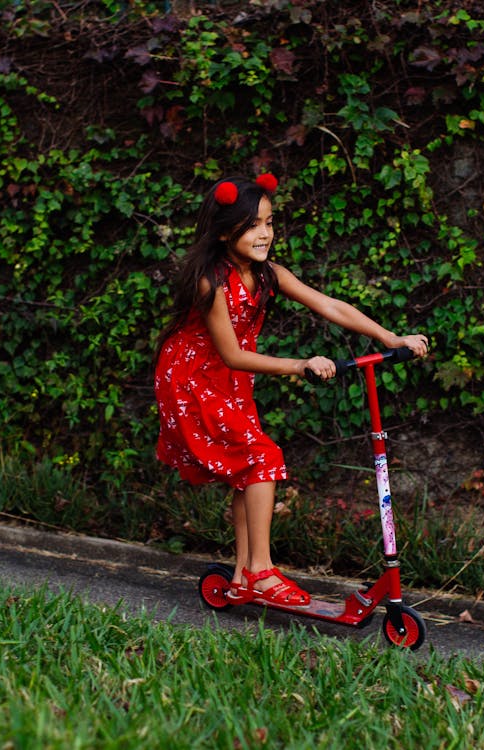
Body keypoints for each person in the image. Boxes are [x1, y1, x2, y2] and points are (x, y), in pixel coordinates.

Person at [153, 174, 429, 607]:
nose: (264, 234)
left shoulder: (269, 275)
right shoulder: (212, 281)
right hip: (192, 379)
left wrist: (389, 337)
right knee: (263, 458)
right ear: (225, 231)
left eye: (269, 222)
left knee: (249, 471)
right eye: (252, 226)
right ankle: (261, 572)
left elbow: (329, 304)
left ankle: (244, 573)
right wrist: (300, 365)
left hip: (228, 379)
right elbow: (231, 354)